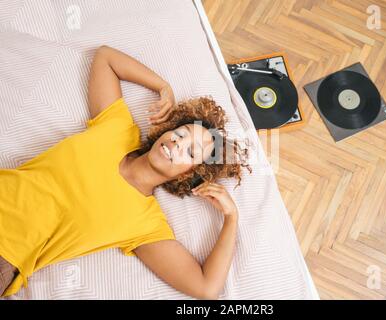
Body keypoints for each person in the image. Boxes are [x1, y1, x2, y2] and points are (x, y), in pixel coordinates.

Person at [0, 45, 250, 299]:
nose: (177, 143)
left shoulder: (145, 224)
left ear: (187, 174)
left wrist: (231, 218)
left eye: (190, 151)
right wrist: (163, 87)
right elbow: (106, 58)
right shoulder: (118, 128)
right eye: (181, 133)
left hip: (7, 253)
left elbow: (206, 288)